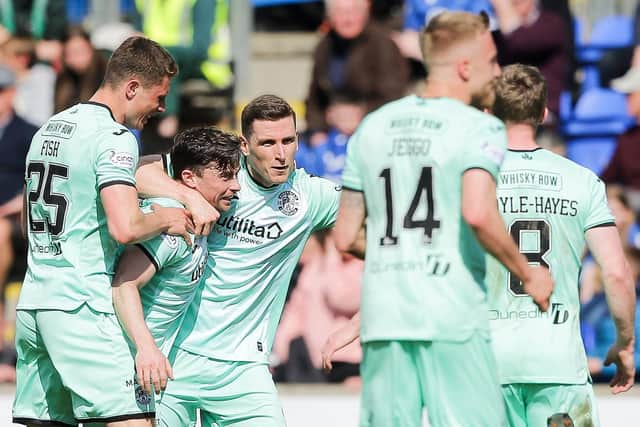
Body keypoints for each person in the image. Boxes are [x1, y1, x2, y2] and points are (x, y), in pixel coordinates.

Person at [330, 11, 553, 427]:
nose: (498, 70)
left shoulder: (371, 128)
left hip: (385, 318)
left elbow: (345, 236)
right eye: (492, 60)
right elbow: (477, 212)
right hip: (451, 317)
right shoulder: (479, 128)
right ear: (466, 67)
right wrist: (529, 272)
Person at [12, 36, 192, 427]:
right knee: (131, 421)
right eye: (158, 97)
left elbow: (27, 223)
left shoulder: (49, 127)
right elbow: (125, 227)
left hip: (34, 305)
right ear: (131, 88)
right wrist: (165, 217)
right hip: (82, 306)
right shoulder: (115, 138)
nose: (161, 108)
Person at [135, 94, 346, 426]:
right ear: (245, 145)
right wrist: (188, 195)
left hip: (244, 367)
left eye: (288, 141)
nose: (280, 154)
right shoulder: (219, 175)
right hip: (176, 356)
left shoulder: (310, 196)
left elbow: (370, 223)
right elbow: (134, 171)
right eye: (268, 143)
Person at [486, 63, 636, 426]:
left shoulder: (471, 178)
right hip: (558, 363)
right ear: (543, 113)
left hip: (487, 363)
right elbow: (615, 274)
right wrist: (625, 342)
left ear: (489, 112)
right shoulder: (581, 181)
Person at [112, 126, 241, 398]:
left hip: (146, 368)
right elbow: (124, 283)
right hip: (127, 364)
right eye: (226, 176)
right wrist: (146, 348)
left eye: (236, 175)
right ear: (189, 178)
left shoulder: (195, 218)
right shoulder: (172, 224)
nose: (236, 186)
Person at [305, 0, 408, 146]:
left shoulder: (383, 45)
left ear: (366, 11)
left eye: (354, 11)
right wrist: (317, 130)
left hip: (376, 131)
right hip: (332, 133)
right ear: (330, 16)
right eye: (340, 12)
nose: (348, 19)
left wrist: (360, 113)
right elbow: (315, 98)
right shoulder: (324, 47)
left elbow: (394, 97)